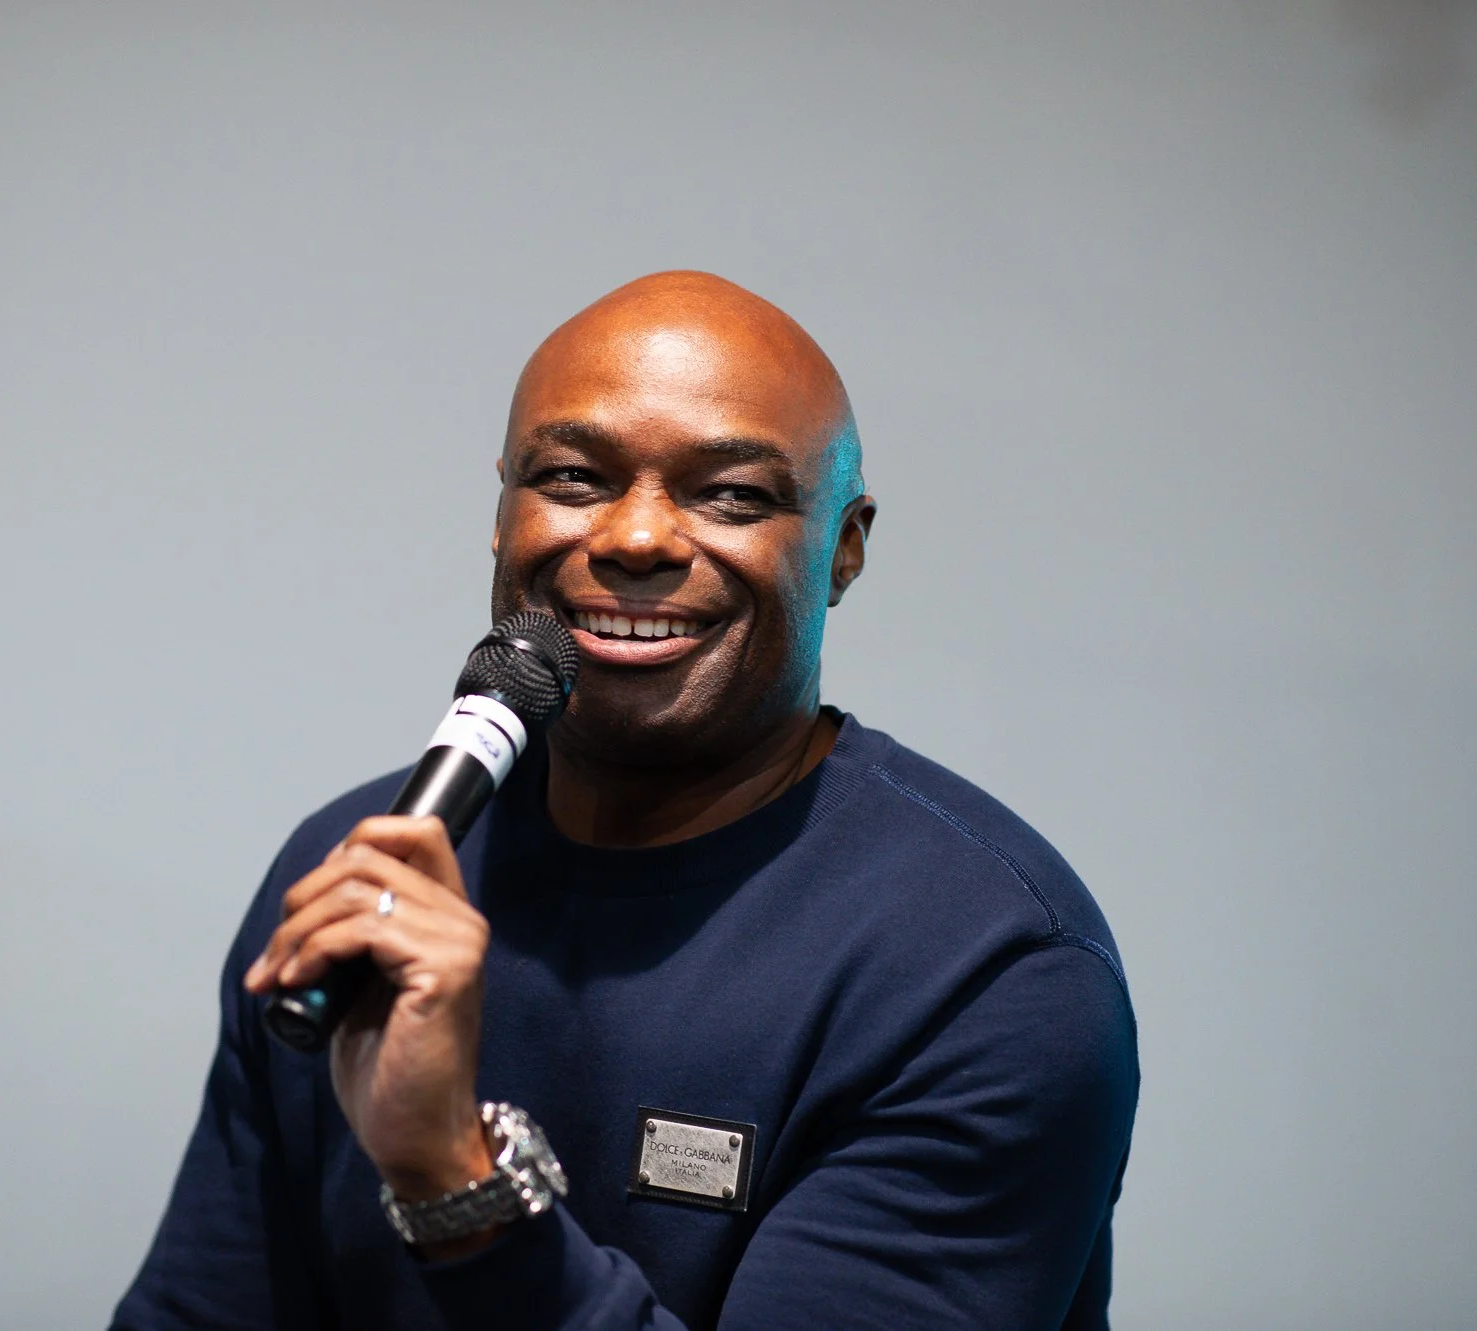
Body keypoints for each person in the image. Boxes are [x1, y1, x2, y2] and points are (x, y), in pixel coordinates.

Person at [112, 271, 1138, 1330]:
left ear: (843, 546)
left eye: (730, 493)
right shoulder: (357, 878)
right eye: (569, 477)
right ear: (500, 513)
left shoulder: (982, 969)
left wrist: (454, 1177)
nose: (634, 537)